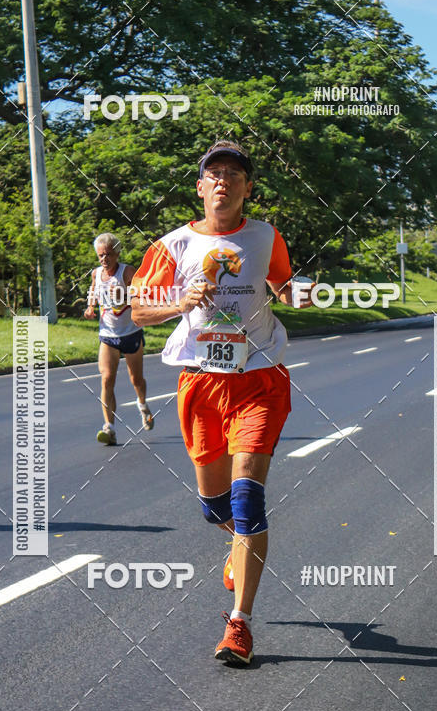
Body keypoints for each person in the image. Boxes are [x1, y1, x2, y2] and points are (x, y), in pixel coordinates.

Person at [130, 139, 312, 664]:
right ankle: (239, 547)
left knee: (247, 500)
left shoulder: (265, 236)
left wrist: (304, 292)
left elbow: (284, 286)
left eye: (234, 174)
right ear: (200, 187)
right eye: (214, 174)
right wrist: (176, 301)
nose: (223, 181)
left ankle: (240, 624)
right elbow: (138, 310)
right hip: (200, 382)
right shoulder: (172, 245)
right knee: (214, 510)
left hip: (259, 376)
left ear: (247, 188)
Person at [84, 233, 153, 445]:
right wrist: (90, 307)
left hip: (130, 333)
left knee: (136, 380)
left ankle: (142, 404)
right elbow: (94, 291)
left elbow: (142, 298)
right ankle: (109, 427)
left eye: (108, 255)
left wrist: (123, 296)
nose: (104, 259)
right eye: (101, 256)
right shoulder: (97, 274)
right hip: (108, 336)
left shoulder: (127, 272)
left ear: (117, 253)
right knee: (106, 379)